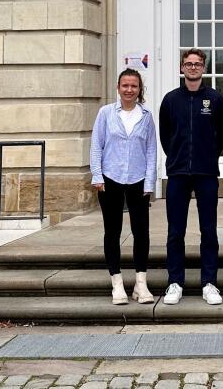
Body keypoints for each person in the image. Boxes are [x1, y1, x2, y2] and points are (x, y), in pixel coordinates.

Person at [159, 47, 223, 306]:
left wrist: (208, 156)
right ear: (182, 67)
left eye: (197, 64)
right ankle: (175, 282)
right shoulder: (170, 100)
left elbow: (222, 135)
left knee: (208, 230)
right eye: (188, 64)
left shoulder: (215, 99)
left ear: (204, 68)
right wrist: (177, 157)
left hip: (206, 173)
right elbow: (165, 136)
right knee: (175, 231)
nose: (192, 67)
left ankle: (209, 283)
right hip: (178, 173)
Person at [90, 67, 157, 306]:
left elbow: (151, 150)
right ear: (118, 88)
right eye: (125, 85)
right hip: (110, 179)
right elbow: (96, 145)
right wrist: (97, 175)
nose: (129, 90)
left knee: (141, 232)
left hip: (138, 180)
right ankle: (117, 283)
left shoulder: (146, 116)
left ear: (139, 89)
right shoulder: (106, 113)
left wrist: (150, 181)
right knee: (112, 231)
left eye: (134, 86)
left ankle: (141, 283)